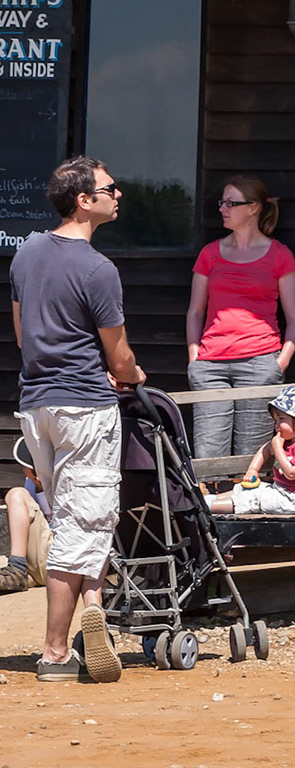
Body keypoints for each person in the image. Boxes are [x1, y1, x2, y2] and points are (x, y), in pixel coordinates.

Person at [9, 155, 144, 682]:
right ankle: (55, 652)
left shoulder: (26, 254)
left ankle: (94, 612)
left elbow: (25, 338)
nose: (119, 195)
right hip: (85, 406)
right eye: (111, 188)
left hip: (36, 405)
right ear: (84, 201)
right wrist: (133, 374)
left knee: (72, 518)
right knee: (84, 523)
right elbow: (120, 357)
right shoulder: (97, 269)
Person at [185, 176, 295, 462]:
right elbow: (195, 312)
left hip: (260, 362)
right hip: (210, 365)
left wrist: (280, 362)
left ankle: (243, 507)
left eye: (230, 203)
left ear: (252, 208)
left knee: (252, 457)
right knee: (208, 456)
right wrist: (194, 359)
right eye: (222, 202)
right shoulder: (210, 254)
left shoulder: (279, 255)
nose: (223, 209)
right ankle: (211, 507)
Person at [204, 387, 295, 517]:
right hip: (279, 490)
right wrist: (253, 469)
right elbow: (266, 449)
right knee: (247, 488)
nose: (277, 425)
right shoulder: (286, 440)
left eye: (282, 419)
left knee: (254, 498)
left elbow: (291, 473)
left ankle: (205, 508)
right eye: (275, 421)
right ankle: (209, 499)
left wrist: (277, 448)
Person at [1, 438, 52, 594]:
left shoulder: (63, 484)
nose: (23, 469)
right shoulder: (31, 483)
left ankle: (17, 570)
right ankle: (21, 571)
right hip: (40, 560)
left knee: (17, 495)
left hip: (60, 561)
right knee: (18, 496)